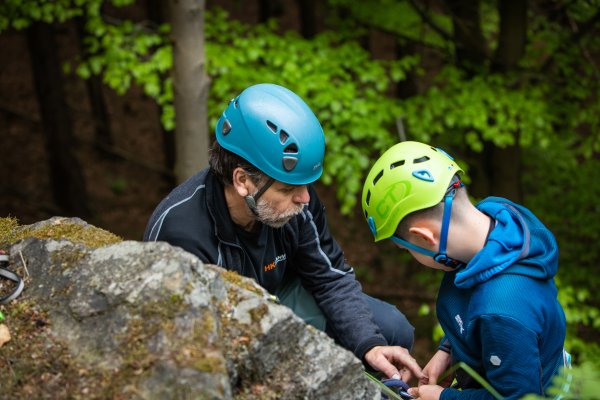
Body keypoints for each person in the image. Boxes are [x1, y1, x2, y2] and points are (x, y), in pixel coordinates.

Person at [144, 83, 422, 380]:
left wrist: (370, 345)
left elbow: (329, 277)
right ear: (242, 181)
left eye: (305, 185)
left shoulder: (295, 204)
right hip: (223, 327)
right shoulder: (181, 235)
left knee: (392, 331)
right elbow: (187, 346)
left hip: (280, 296)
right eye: (288, 188)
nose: (305, 198)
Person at [361, 141, 568, 400]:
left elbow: (518, 397)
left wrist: (443, 398)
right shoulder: (497, 231)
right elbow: (472, 297)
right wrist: (446, 351)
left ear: (426, 237)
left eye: (407, 249)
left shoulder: (502, 311)